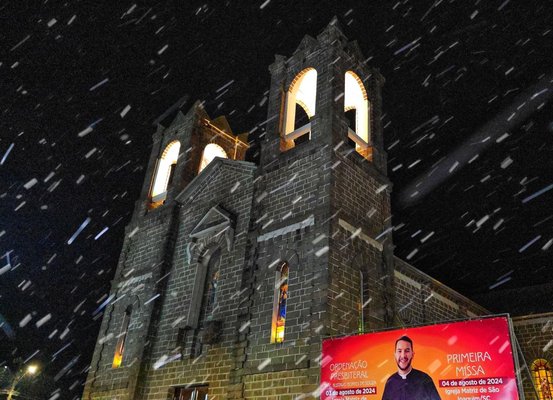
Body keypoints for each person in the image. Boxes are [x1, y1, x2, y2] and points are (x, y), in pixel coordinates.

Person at [382, 335, 441, 400]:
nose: (403, 355)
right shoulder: (390, 383)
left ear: (412, 354)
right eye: (399, 351)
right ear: (395, 355)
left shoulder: (425, 380)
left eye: (407, 351)